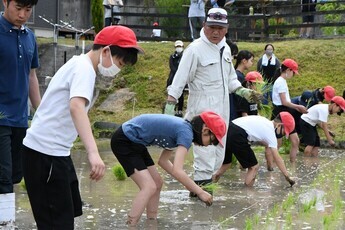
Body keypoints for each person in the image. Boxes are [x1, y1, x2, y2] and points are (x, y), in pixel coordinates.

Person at [21, 25, 143, 229]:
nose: (118, 70)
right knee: (56, 223)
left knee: (67, 214)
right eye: (119, 63)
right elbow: (76, 107)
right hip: (45, 154)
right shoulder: (84, 69)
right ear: (106, 51)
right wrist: (94, 153)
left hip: (56, 153)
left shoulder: (81, 65)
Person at [165, 8, 261, 193]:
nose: (215, 32)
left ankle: (203, 196)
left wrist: (243, 91)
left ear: (227, 29)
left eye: (220, 28)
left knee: (218, 156)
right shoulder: (195, 49)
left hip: (222, 112)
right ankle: (201, 202)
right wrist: (170, 105)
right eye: (212, 27)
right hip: (202, 112)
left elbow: (231, 79)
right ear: (204, 26)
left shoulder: (225, 49)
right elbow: (179, 79)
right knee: (204, 157)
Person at [110, 111, 227, 226]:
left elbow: (163, 161)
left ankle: (151, 222)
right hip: (124, 140)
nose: (208, 145)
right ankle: (131, 225)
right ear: (205, 131)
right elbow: (177, 170)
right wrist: (199, 191)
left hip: (136, 142)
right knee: (149, 186)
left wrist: (187, 184)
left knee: (157, 183)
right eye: (211, 141)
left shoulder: (183, 130)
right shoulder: (186, 134)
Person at [0, 0, 40, 226]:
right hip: (0, 117)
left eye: (28, 10)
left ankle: (5, 217)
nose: (23, 15)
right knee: (4, 176)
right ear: (5, 2)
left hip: (20, 118)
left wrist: (41, 114)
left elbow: (31, 77)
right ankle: (6, 223)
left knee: (16, 175)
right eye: (18, 8)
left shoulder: (30, 37)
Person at [213, 112, 296, 187]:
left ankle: (209, 184)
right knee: (254, 167)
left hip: (229, 128)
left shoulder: (265, 121)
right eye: (284, 132)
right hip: (237, 134)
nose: (283, 135)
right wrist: (287, 176)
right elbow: (277, 158)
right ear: (279, 125)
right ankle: (248, 193)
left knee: (226, 164)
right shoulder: (270, 132)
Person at [271, 58, 308, 162]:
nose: (293, 75)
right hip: (281, 113)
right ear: (287, 70)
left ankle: (292, 165)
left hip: (286, 112)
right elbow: (284, 102)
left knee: (295, 141)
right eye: (293, 72)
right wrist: (298, 107)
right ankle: (272, 166)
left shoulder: (282, 81)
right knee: (277, 143)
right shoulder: (280, 82)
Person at [166, 40, 185, 117]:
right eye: (177, 46)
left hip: (182, 77)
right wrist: (177, 73)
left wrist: (180, 74)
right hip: (173, 77)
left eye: (180, 46)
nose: (178, 48)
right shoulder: (172, 56)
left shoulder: (185, 56)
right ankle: (171, 110)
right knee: (172, 93)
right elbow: (172, 67)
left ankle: (180, 110)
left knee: (181, 95)